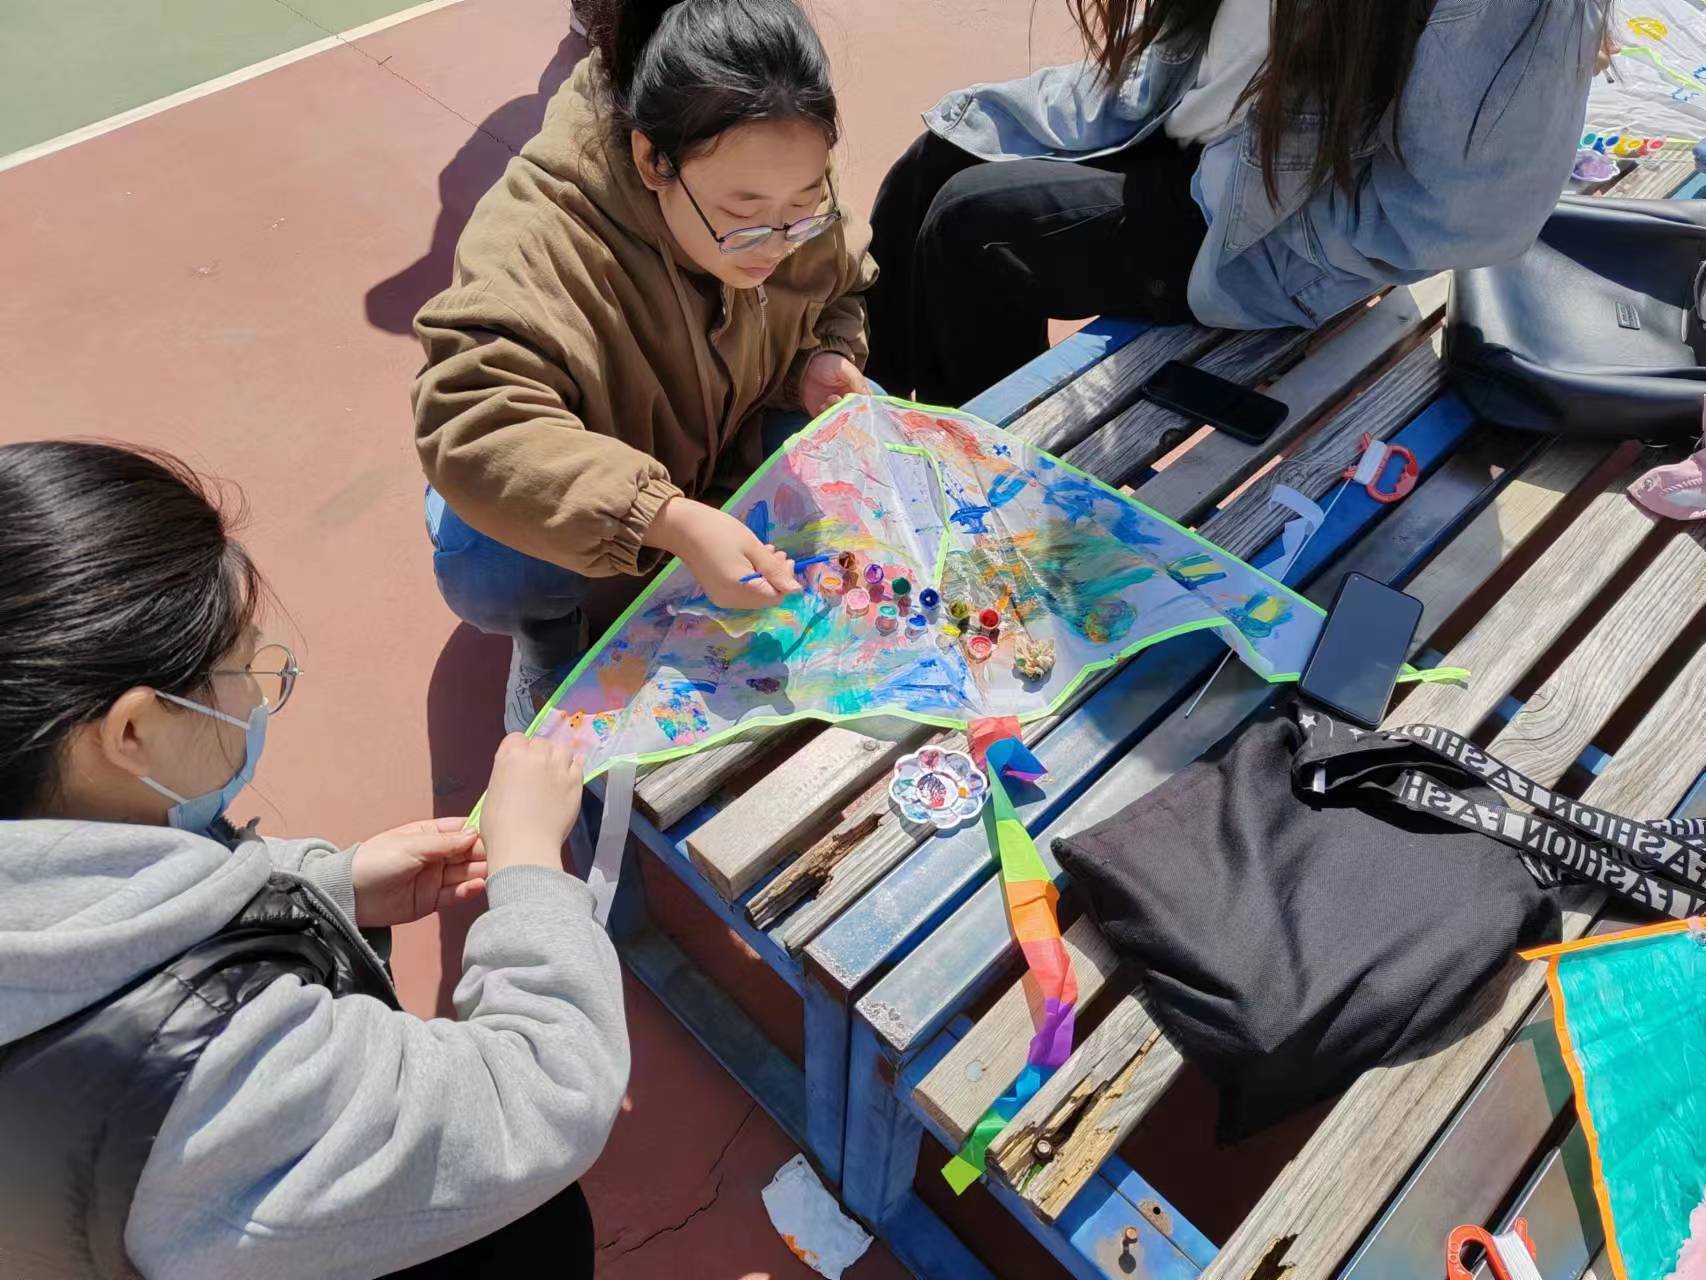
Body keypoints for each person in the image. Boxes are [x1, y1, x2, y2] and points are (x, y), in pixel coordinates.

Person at [0, 441, 628, 1279]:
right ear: (132, 732)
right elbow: (540, 1097)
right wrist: (531, 870)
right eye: (240, 668)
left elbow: (119, 911)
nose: (260, 695)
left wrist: (316, 888)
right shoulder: (208, 1069)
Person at [413, 0, 878, 733]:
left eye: (806, 203)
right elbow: (471, 419)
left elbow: (841, 283)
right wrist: (663, 517)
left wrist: (822, 358)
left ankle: (710, 545)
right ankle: (546, 632)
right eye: (745, 215)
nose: (778, 242)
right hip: (601, 470)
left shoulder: (775, 187)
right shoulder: (540, 236)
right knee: (495, 560)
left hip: (722, 432)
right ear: (653, 161)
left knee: (855, 432)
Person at [866, 0, 1610, 406]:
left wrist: (1303, 251)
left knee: (977, 230)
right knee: (932, 164)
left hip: (1280, 225)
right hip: (1192, 118)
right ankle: (861, 418)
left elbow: (1472, 215)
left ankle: (984, 491)